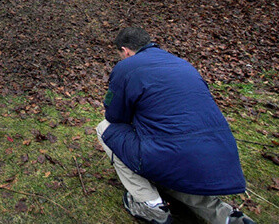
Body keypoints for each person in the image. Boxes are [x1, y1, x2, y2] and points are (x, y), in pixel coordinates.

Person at [97, 27, 255, 224]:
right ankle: (225, 216)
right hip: (221, 156)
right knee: (180, 166)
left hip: (169, 153)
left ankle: (151, 205)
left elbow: (114, 116)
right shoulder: (183, 64)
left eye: (120, 54)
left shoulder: (126, 67)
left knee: (105, 128)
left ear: (125, 50)